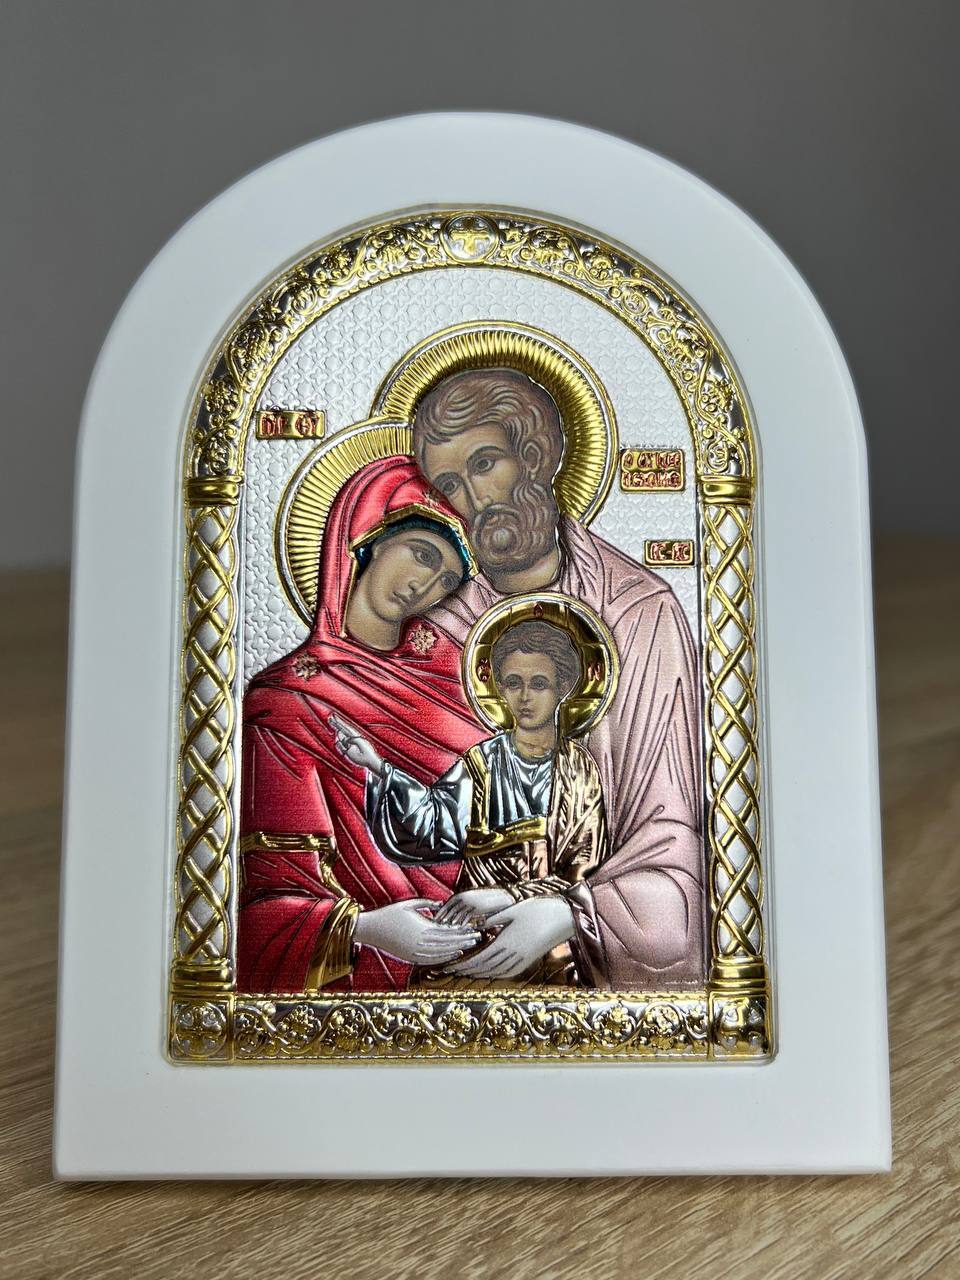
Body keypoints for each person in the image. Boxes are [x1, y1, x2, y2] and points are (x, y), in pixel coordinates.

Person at [412, 367, 706, 989]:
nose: (476, 498)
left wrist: (567, 914)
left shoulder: (638, 613)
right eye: (450, 485)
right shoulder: (439, 626)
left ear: (535, 455)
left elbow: (671, 845)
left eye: (485, 463)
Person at [236, 456, 487, 995]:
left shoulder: (455, 676)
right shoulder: (285, 701)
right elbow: (269, 899)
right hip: (371, 973)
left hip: (485, 944)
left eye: (448, 579)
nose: (426, 586)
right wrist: (367, 929)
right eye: (422, 554)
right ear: (367, 534)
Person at [333, 618, 607, 983]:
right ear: (499, 688)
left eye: (539, 683)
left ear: (563, 687)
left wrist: (508, 896)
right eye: (514, 682)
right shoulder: (482, 764)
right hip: (472, 930)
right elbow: (431, 824)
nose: (525, 697)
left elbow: (584, 874)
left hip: (548, 941)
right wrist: (378, 768)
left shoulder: (578, 770)